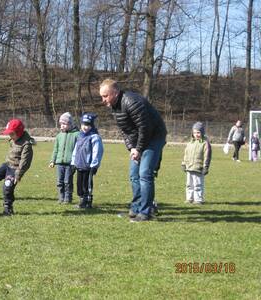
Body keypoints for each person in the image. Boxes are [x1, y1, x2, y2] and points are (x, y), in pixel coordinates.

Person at [99, 79, 167, 222]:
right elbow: (125, 131)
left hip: (154, 136)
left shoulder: (132, 102)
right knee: (134, 175)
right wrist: (131, 148)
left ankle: (146, 212)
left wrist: (139, 149)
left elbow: (145, 128)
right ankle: (136, 208)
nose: (103, 100)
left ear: (115, 93)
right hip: (139, 140)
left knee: (144, 173)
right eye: (102, 96)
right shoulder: (115, 106)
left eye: (105, 96)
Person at [0, 119, 34, 216]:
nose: (10, 136)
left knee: (7, 186)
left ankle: (8, 207)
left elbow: (25, 162)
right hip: (7, 165)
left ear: (19, 132)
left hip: (15, 168)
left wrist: (18, 175)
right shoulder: (13, 139)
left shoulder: (26, 145)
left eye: (12, 134)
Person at [71, 113, 104, 209]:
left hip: (88, 166)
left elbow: (97, 152)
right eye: (83, 124)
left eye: (88, 125)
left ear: (92, 126)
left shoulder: (94, 137)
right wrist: (73, 163)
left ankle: (88, 201)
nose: (85, 127)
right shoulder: (80, 136)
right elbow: (75, 150)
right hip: (79, 165)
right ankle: (81, 199)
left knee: (87, 184)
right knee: (79, 185)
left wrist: (94, 165)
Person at [49, 112, 80, 204]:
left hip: (71, 163)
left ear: (70, 124)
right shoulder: (59, 136)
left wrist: (76, 162)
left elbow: (78, 150)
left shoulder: (77, 135)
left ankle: (68, 198)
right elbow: (55, 149)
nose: (62, 126)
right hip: (59, 163)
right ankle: (61, 197)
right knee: (60, 181)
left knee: (67, 181)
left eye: (64, 124)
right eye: (61, 124)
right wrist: (52, 161)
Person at [181, 122, 212, 204]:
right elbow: (186, 154)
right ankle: (189, 198)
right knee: (189, 184)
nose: (196, 134)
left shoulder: (205, 143)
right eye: (194, 132)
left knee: (198, 184)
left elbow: (207, 156)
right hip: (189, 167)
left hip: (198, 168)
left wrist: (206, 166)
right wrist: (183, 163)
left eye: (198, 132)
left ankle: (198, 199)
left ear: (202, 132)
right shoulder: (190, 143)